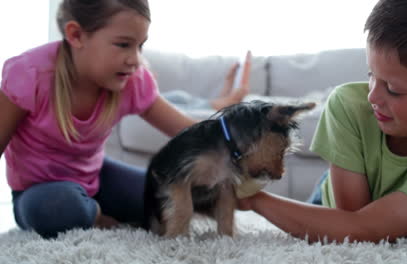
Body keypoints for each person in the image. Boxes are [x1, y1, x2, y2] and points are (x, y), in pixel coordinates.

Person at [0, 0, 249, 239]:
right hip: (37, 191)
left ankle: (93, 207)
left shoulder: (133, 80)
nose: (135, 59)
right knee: (58, 209)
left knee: (166, 198)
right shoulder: (30, 75)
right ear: (76, 35)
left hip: (97, 178)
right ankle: (94, 214)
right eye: (123, 44)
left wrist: (240, 148)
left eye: (140, 46)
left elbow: (189, 133)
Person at [237, 0, 407, 243]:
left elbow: (359, 232)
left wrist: (255, 200)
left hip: (376, 220)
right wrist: (254, 198)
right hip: (326, 205)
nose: (373, 97)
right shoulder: (348, 104)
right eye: (371, 76)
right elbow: (352, 224)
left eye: (393, 89)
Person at [162, 50, 252, 111]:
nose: (155, 75)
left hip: (209, 107)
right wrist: (228, 102)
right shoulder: (156, 105)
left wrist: (229, 81)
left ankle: (224, 101)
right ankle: (225, 102)